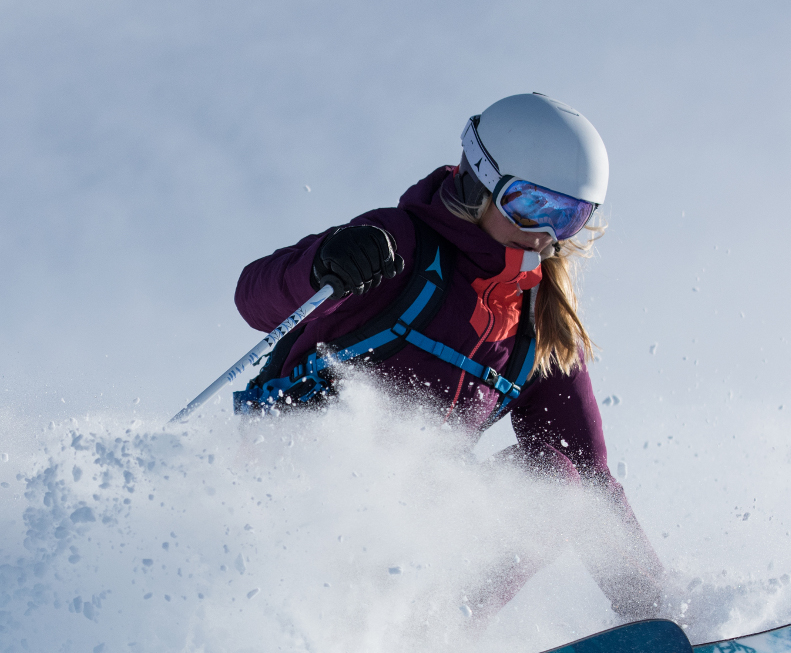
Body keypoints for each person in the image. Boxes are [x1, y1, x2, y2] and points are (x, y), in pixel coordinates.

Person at [234, 92, 666, 622]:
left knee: (557, 479)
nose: (545, 233)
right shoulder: (401, 246)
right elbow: (252, 296)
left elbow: (588, 477)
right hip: (292, 494)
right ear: (479, 182)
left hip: (409, 524)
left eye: (570, 217)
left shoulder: (539, 326)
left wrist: (658, 615)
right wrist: (323, 263)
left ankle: (433, 635)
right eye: (532, 205)